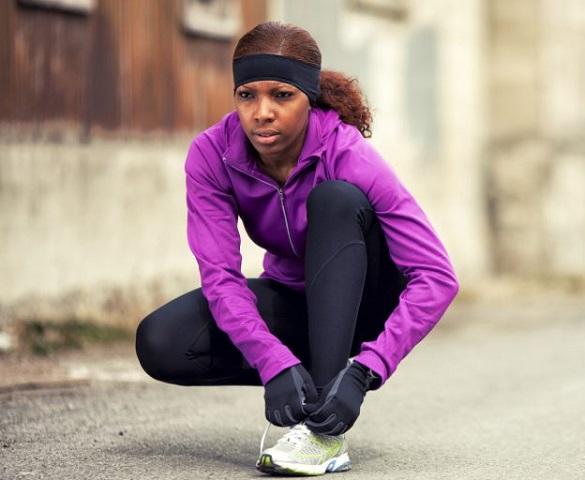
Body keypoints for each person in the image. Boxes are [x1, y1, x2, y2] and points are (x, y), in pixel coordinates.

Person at [134, 21, 460, 476]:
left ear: (308, 98)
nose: (261, 112)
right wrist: (273, 362)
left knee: (335, 199)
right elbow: (220, 277)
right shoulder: (212, 155)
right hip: (296, 300)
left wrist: (366, 370)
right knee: (161, 342)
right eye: (247, 95)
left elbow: (437, 277)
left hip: (366, 304)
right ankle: (307, 384)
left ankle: (325, 430)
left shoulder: (346, 153)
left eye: (281, 95)